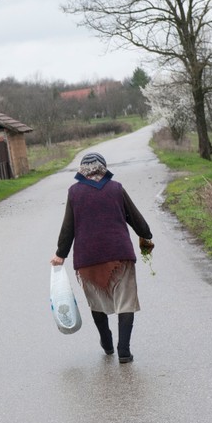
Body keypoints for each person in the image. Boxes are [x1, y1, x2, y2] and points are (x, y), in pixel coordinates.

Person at [50, 152, 154, 364]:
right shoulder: (116, 188)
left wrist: (61, 254)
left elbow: (68, 228)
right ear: (103, 168)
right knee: (125, 302)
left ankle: (106, 342)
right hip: (120, 255)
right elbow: (135, 217)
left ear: (82, 171)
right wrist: (146, 234)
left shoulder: (74, 192)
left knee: (97, 303)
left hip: (88, 259)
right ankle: (123, 350)